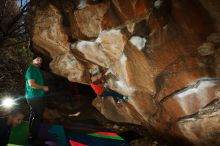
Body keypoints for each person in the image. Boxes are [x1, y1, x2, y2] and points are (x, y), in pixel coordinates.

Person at [25, 56, 49, 143]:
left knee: (34, 114)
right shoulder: (31, 69)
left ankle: (30, 133)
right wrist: (43, 87)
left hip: (35, 96)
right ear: (33, 60)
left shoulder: (35, 69)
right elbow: (32, 84)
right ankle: (33, 138)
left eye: (41, 60)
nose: (39, 62)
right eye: (37, 59)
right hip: (33, 97)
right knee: (38, 116)